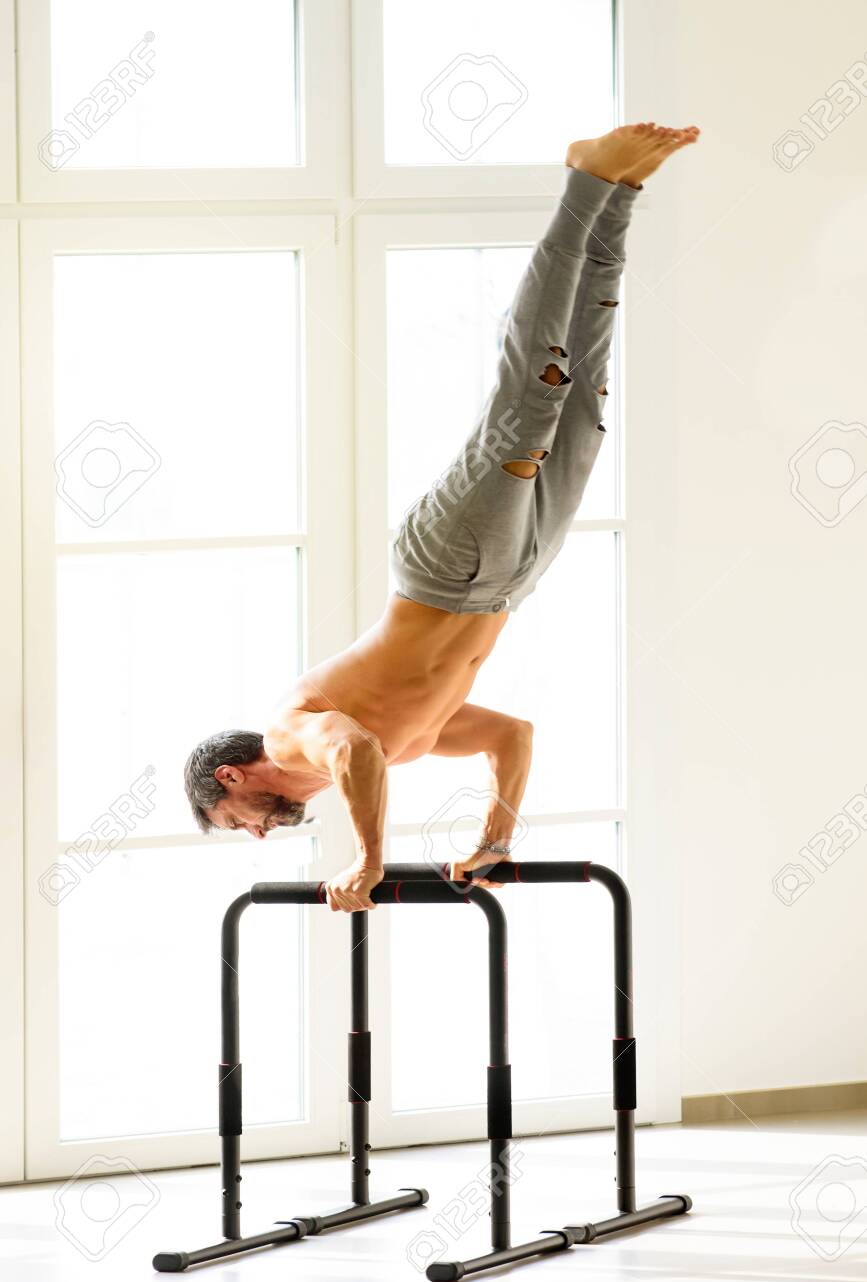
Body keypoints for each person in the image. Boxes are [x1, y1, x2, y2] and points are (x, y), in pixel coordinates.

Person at [184, 123, 700, 913]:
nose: (256, 833)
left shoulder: (290, 733)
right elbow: (510, 736)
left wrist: (367, 860)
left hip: (446, 566)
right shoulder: (409, 740)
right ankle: (620, 195)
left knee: (533, 392)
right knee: (583, 396)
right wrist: (495, 838)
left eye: (236, 821)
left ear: (231, 777)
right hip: (509, 576)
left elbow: (355, 749)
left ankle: (585, 180)